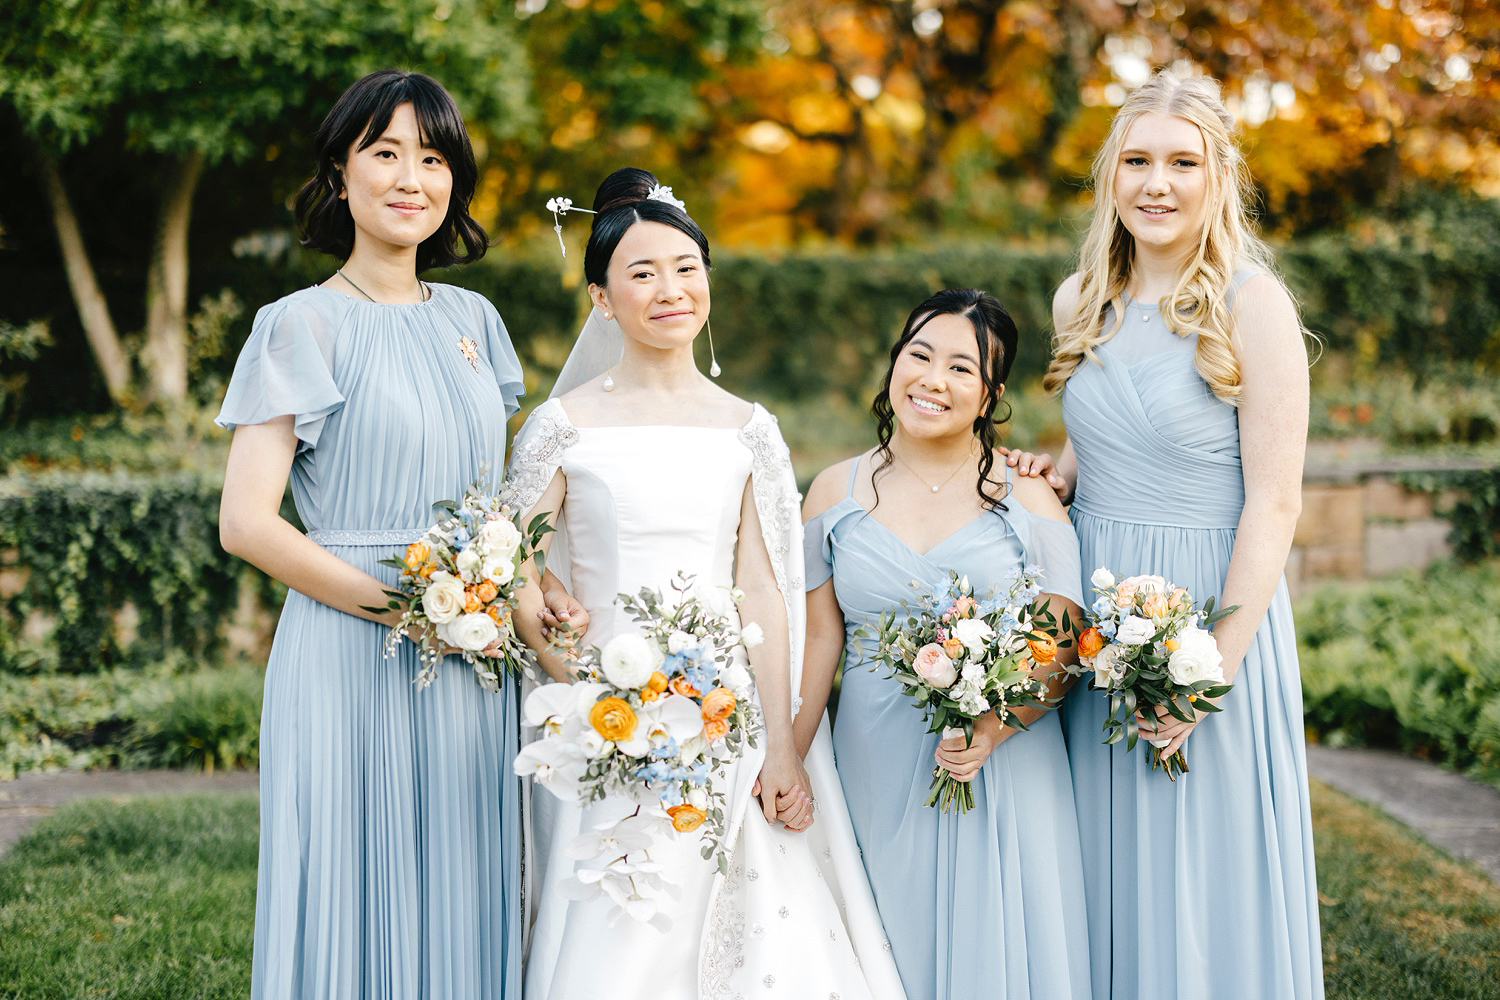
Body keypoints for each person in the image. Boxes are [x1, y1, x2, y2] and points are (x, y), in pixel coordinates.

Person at [217, 70, 583, 999]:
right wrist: (412, 608)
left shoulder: (476, 322)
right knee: (351, 878)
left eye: (433, 157)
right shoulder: (297, 324)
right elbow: (247, 523)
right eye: (384, 152)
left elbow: (502, 508)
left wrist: (532, 601)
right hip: (348, 648)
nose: (410, 177)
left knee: (468, 875)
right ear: (341, 174)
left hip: (473, 653)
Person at [507, 167, 906, 1000]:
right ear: (602, 298)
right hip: (601, 705)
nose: (670, 290)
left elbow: (764, 588)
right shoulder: (563, 426)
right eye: (642, 273)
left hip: (727, 708)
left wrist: (784, 742)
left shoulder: (747, 428)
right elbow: (514, 559)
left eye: (687, 269)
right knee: (621, 905)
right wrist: (574, 684)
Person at [1007, 70, 1323, 999]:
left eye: (1183, 163)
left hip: (1204, 612)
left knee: (1198, 862)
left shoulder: (1249, 304)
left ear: (1217, 178)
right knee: (1097, 857)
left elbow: (1275, 501)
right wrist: (1059, 468)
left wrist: (1213, 666)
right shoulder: (1080, 301)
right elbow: (1106, 431)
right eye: (1138, 160)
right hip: (1096, 615)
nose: (1158, 183)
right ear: (1112, 175)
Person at [797, 289, 1093, 1000]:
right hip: (872, 758)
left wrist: (992, 730)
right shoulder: (833, 491)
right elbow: (816, 637)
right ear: (895, 362)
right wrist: (789, 752)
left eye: (962, 368)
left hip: (1001, 765)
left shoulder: (1028, 498)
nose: (932, 380)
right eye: (919, 355)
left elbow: (1063, 647)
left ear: (991, 394)